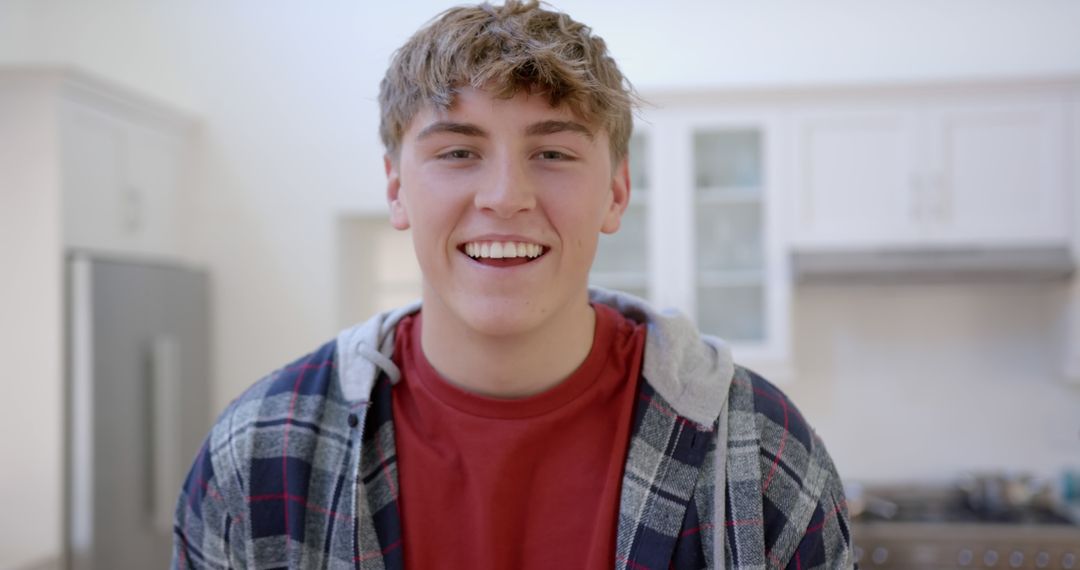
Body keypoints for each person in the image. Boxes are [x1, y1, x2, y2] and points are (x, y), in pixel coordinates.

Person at [172, 1, 853, 568]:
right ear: (395, 187)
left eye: (552, 153)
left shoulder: (759, 451)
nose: (505, 196)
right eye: (459, 152)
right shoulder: (260, 452)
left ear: (616, 192)